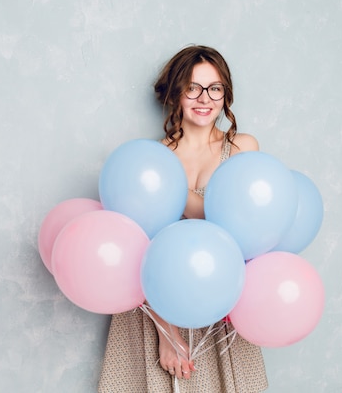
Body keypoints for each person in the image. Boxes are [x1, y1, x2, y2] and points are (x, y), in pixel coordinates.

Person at [98, 45, 268, 392]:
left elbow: (234, 226)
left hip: (219, 299)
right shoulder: (149, 160)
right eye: (193, 87)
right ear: (176, 92)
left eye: (215, 88)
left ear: (225, 95)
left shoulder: (242, 148)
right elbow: (139, 251)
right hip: (155, 304)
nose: (204, 98)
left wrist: (169, 191)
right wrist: (167, 333)